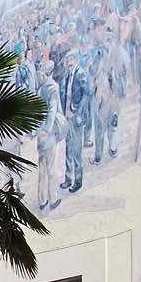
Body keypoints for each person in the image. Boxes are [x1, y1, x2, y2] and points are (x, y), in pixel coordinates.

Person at [60, 51, 91, 193]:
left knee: (77, 150)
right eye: (67, 59)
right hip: (67, 116)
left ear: (76, 60)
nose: (69, 62)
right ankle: (68, 178)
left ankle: (78, 180)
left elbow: (87, 94)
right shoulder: (67, 74)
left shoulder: (81, 73)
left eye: (71, 59)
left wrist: (78, 112)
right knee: (68, 148)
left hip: (76, 116)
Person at [36, 60, 63, 212]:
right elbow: (52, 111)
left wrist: (38, 132)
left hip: (41, 134)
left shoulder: (40, 90)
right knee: (51, 167)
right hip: (49, 134)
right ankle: (52, 198)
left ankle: (42, 200)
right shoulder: (53, 88)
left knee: (42, 167)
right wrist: (47, 129)